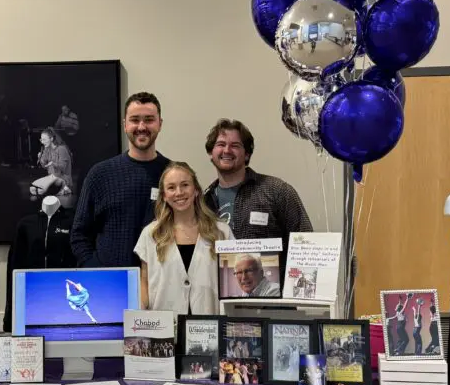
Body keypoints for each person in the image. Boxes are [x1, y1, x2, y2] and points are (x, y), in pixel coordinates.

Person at [71, 92, 171, 267]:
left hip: (161, 285)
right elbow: (79, 235)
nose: (141, 126)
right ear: (125, 125)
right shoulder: (99, 174)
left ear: (160, 124)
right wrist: (96, 271)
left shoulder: (173, 175)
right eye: (134, 120)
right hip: (112, 286)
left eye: (149, 119)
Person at [134, 162, 232, 315]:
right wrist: (138, 314)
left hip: (209, 327)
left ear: (196, 190)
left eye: (185, 185)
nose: (179, 192)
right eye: (171, 188)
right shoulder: (151, 234)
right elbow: (144, 282)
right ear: (164, 196)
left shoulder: (221, 232)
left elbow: (232, 283)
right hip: (164, 329)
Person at [203, 119, 313, 253]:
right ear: (210, 153)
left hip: (269, 274)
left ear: (247, 154)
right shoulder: (203, 201)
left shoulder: (277, 190)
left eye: (235, 145)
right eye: (221, 144)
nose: (227, 150)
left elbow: (305, 240)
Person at [29, 127, 73, 199]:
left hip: (63, 179)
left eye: (44, 139)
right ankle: (59, 190)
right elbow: (44, 166)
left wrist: (53, 163)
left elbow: (63, 168)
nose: (42, 142)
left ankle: (63, 188)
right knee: (32, 188)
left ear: (51, 139)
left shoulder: (62, 149)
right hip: (51, 177)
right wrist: (40, 158)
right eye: (41, 139)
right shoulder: (47, 149)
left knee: (43, 189)